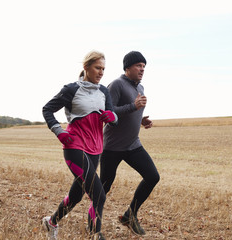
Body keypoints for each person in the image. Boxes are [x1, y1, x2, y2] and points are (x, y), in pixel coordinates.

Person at [42, 50, 118, 240]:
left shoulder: (104, 91)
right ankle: (95, 235)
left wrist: (113, 117)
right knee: (98, 195)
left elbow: (112, 116)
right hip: (74, 147)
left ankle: (51, 222)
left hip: (95, 150)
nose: (101, 72)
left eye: (103, 69)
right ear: (86, 67)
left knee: (76, 196)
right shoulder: (71, 89)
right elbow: (47, 109)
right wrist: (59, 132)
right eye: (97, 68)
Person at [99, 51, 160, 236]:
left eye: (144, 66)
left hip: (133, 145)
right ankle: (93, 225)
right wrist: (133, 107)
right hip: (112, 147)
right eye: (138, 65)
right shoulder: (116, 84)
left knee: (152, 176)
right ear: (127, 68)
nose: (142, 69)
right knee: (103, 187)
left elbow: (131, 111)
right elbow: (107, 112)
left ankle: (129, 215)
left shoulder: (140, 88)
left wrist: (141, 120)